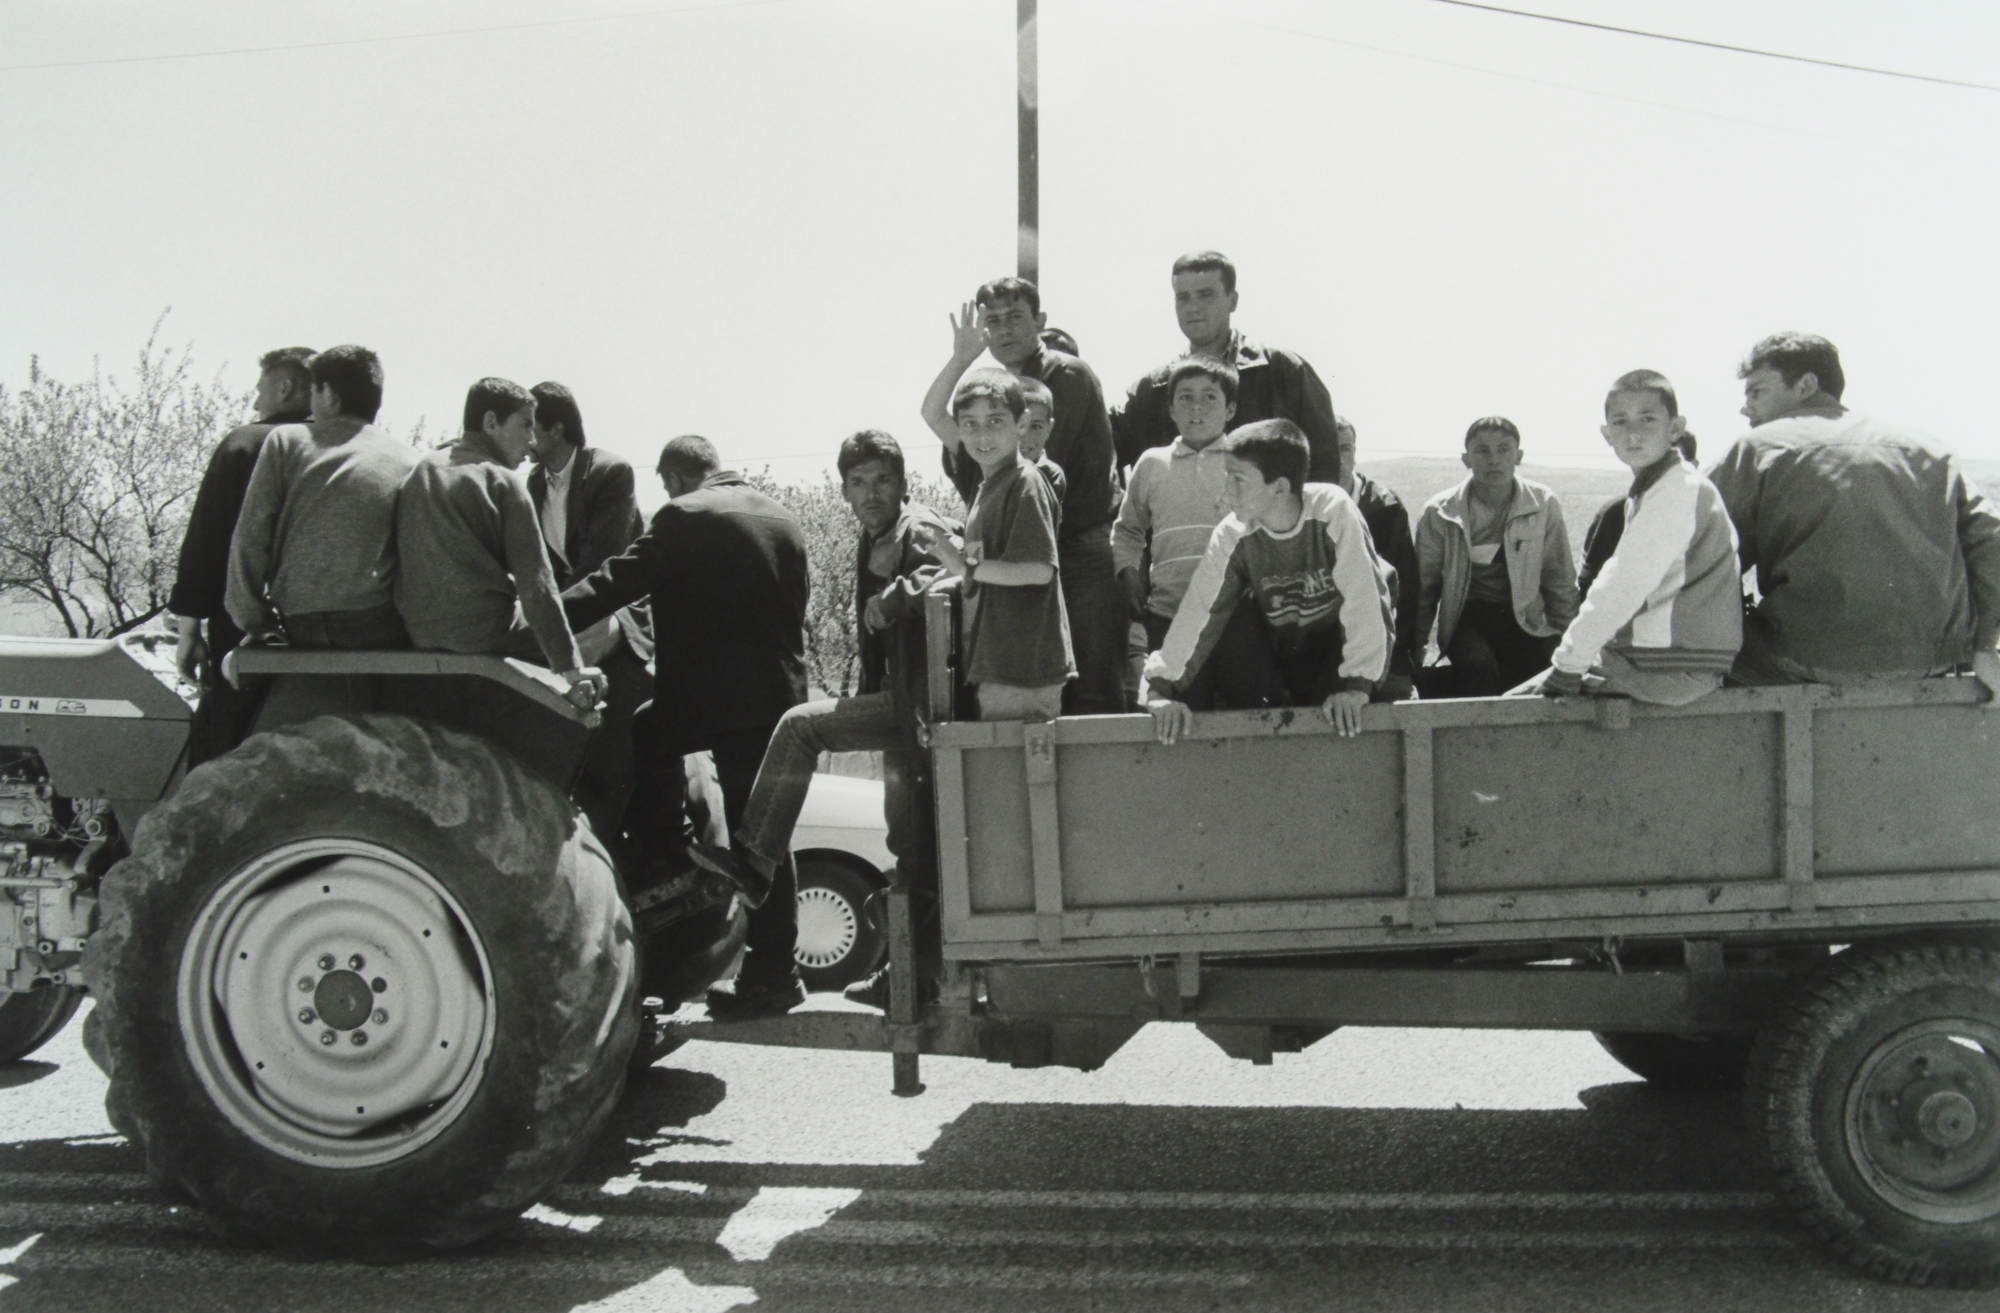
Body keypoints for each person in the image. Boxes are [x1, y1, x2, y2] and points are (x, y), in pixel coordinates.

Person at [561, 434, 811, 1020]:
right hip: (779, 699)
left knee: (652, 735)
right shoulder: (782, 517)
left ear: (673, 478)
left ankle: (668, 852)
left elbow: (612, 584)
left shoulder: (685, 514)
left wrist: (537, 616)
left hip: (717, 702)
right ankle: (775, 971)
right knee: (764, 835)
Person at [715, 431, 956, 1008]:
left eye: (883, 480)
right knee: (908, 843)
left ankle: (754, 861)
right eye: (858, 482)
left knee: (800, 726)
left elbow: (953, 572)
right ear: (844, 490)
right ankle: (911, 977)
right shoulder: (874, 536)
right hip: (901, 706)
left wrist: (898, 594)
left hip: (919, 705)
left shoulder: (917, 527)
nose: (871, 493)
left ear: (903, 484)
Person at [1709, 333, 2000, 688]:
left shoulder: (1758, 447)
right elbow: (1992, 541)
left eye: (1757, 392)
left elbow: (1693, 545)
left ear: (1806, 386)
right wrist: (1984, 645)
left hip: (1799, 660)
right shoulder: (1932, 451)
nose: (1746, 408)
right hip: (1930, 660)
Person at [919, 279, 1124, 714]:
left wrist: (968, 563)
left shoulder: (1065, 373)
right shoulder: (994, 398)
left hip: (1078, 548)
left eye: (1015, 317)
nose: (1004, 329)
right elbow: (934, 414)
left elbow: (1029, 463)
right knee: (1030, 689)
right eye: (992, 321)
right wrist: (961, 358)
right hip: (1018, 551)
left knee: (1092, 689)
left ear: (1039, 320)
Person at [1143, 420, 1393, 745]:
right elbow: (1200, 612)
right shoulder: (1233, 532)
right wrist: (1159, 689)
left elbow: (1364, 598)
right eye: (1226, 477)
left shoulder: (1332, 509)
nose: (1225, 492)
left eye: (1238, 480)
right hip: (1287, 650)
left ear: (1279, 487)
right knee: (1237, 621)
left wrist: (1358, 686)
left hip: (1341, 651)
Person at [1511, 371, 1741, 705]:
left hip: (1670, 667)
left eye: (1648, 419)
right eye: (1620, 422)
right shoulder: (1663, 485)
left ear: (1675, 428)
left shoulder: (1677, 490)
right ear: (1607, 434)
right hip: (1663, 658)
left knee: (1509, 709)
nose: (1633, 434)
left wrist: (1569, 666)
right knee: (1515, 699)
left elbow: (1623, 583)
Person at [392, 378, 604, 709]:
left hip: (420, 631)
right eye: (525, 425)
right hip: (482, 633)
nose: (531, 441)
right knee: (604, 625)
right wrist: (571, 667)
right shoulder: (503, 481)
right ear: (491, 422)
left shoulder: (424, 468)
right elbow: (537, 588)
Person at [168, 345, 314, 766]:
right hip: (329, 627)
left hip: (248, 626)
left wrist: (189, 631)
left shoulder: (248, 443)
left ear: (284, 388)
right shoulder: (345, 445)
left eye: (259, 390)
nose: (254, 403)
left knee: (223, 744)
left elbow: (207, 542)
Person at [525, 381, 653, 849]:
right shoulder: (534, 484)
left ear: (556, 429)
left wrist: (549, 618)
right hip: (574, 623)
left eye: (530, 426)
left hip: (619, 620)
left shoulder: (609, 472)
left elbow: (602, 567)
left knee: (616, 753)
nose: (525, 438)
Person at [225, 345, 420, 650]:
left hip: (299, 618)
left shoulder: (287, 441)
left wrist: (254, 620)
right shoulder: (409, 458)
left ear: (328, 394)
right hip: (373, 622)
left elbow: (251, 534)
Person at [918, 370, 1075, 722]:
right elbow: (983, 569)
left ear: (1022, 424)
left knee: (1019, 759)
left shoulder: (1026, 482)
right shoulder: (988, 488)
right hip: (999, 664)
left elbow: (1038, 570)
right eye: (970, 423)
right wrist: (950, 569)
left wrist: (964, 567)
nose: (983, 434)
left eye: (995, 421)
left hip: (1024, 668)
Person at [1112, 250, 1341, 484]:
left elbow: (1325, 466)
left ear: (1233, 300)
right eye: (1183, 297)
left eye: (1205, 295)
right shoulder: (1151, 391)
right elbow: (1102, 452)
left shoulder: (1283, 371)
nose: (1193, 307)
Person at [1412, 417, 1578, 696]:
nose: (1493, 460)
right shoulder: (1440, 512)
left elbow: (1558, 577)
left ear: (1518, 456)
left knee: (1546, 671)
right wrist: (1414, 651)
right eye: (1482, 451)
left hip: (1526, 618)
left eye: (1503, 449)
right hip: (1467, 619)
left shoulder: (1542, 503)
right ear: (1466, 459)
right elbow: (1424, 589)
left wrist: (1569, 644)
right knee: (1478, 669)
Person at [1112, 357, 1237, 654]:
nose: (1196, 406)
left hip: (1235, 613)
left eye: (1209, 397)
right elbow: (1128, 530)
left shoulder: (1244, 461)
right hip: (1167, 613)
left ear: (1230, 409)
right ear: (1171, 409)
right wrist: (1130, 575)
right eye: (1185, 397)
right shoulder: (1151, 463)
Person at [1335, 417, 1421, 700]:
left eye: (1345, 448)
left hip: (1381, 648)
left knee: (1404, 700)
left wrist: (1397, 657)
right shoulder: (1300, 506)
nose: (1338, 458)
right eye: (1329, 449)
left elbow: (1406, 588)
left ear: (1355, 452)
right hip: (1326, 648)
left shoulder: (1385, 507)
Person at [1578, 431, 1698, 600]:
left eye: (1673, 464)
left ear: (1694, 465)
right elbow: (1587, 586)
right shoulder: (1615, 515)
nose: (1663, 473)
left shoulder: (1711, 514)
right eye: (1652, 464)